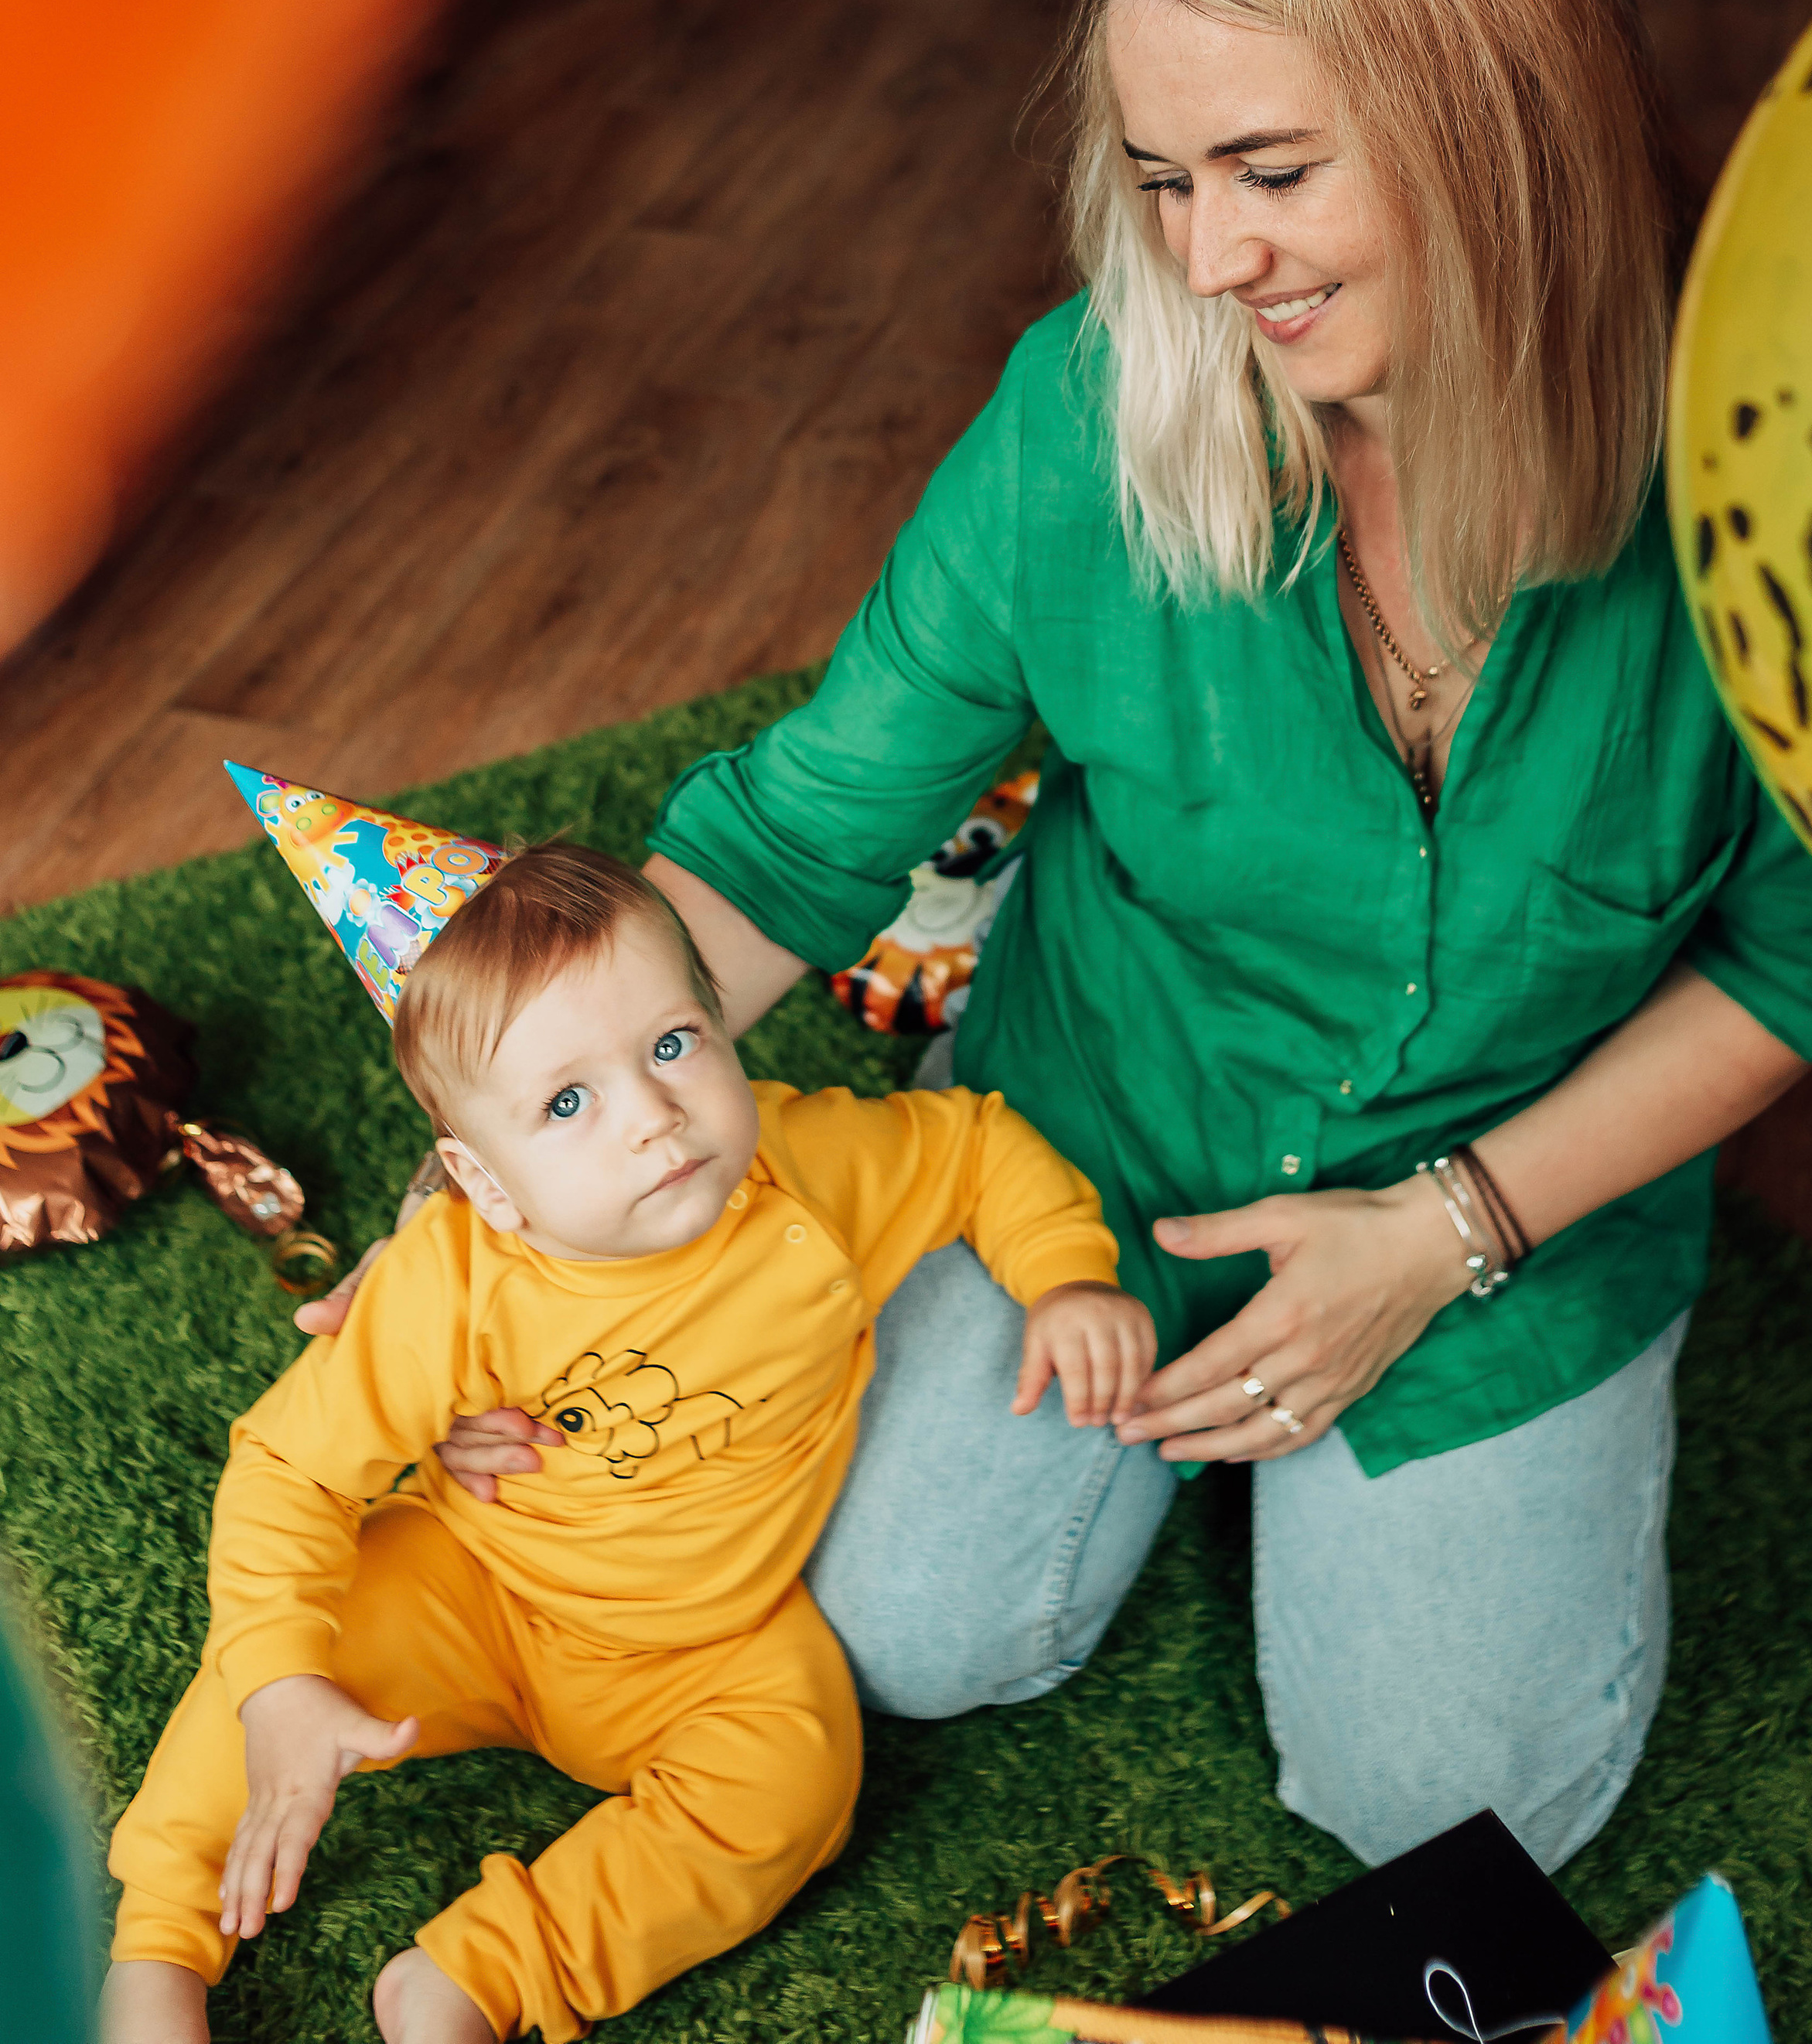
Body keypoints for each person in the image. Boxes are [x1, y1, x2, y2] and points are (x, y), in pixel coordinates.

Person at [312, 0, 1812, 1875]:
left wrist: (1449, 1237)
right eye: (1163, 179)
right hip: (1098, 1117)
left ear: (1489, 123)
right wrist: (516, 1151)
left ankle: (1362, 1416)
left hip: (1514, 1196)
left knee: (1443, 1803)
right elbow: (796, 839)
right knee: (899, 1624)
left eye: (1271, 169)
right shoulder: (1094, 406)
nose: (1209, 255)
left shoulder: (1767, 471)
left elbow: (1808, 956)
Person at [103, 843, 1149, 2044]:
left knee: (797, 1781)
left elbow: (971, 1146)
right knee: (280, 1660)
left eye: (670, 1046)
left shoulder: (814, 1181)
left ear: (723, 1025)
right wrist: (284, 1681)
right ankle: (161, 1949)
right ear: (481, 1183)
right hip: (481, 1589)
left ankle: (472, 1981)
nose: (654, 1117)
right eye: (566, 1102)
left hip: (716, 1634)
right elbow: (290, 1469)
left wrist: (1066, 1272)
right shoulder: (449, 1280)